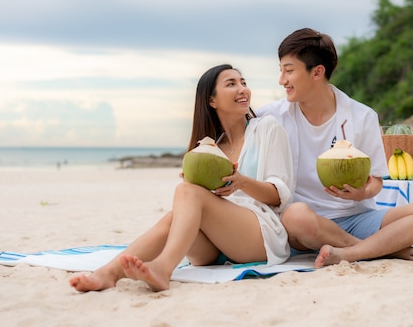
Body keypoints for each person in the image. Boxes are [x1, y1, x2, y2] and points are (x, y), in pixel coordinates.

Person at [69, 64, 294, 292]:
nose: (242, 89)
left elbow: (279, 196)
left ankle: (162, 268)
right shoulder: (209, 149)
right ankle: (109, 273)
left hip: (260, 236)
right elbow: (202, 203)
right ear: (212, 100)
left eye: (243, 82)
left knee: (184, 193)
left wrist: (241, 181)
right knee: (173, 216)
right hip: (216, 245)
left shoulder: (267, 128)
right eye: (231, 84)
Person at [257, 28, 413, 268]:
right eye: (281, 70)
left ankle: (349, 253)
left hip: (356, 217)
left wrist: (361, 193)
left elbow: (376, 181)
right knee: (295, 215)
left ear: (317, 72)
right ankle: (380, 249)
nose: (282, 80)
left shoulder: (362, 116)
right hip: (306, 224)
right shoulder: (270, 117)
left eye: (289, 71)